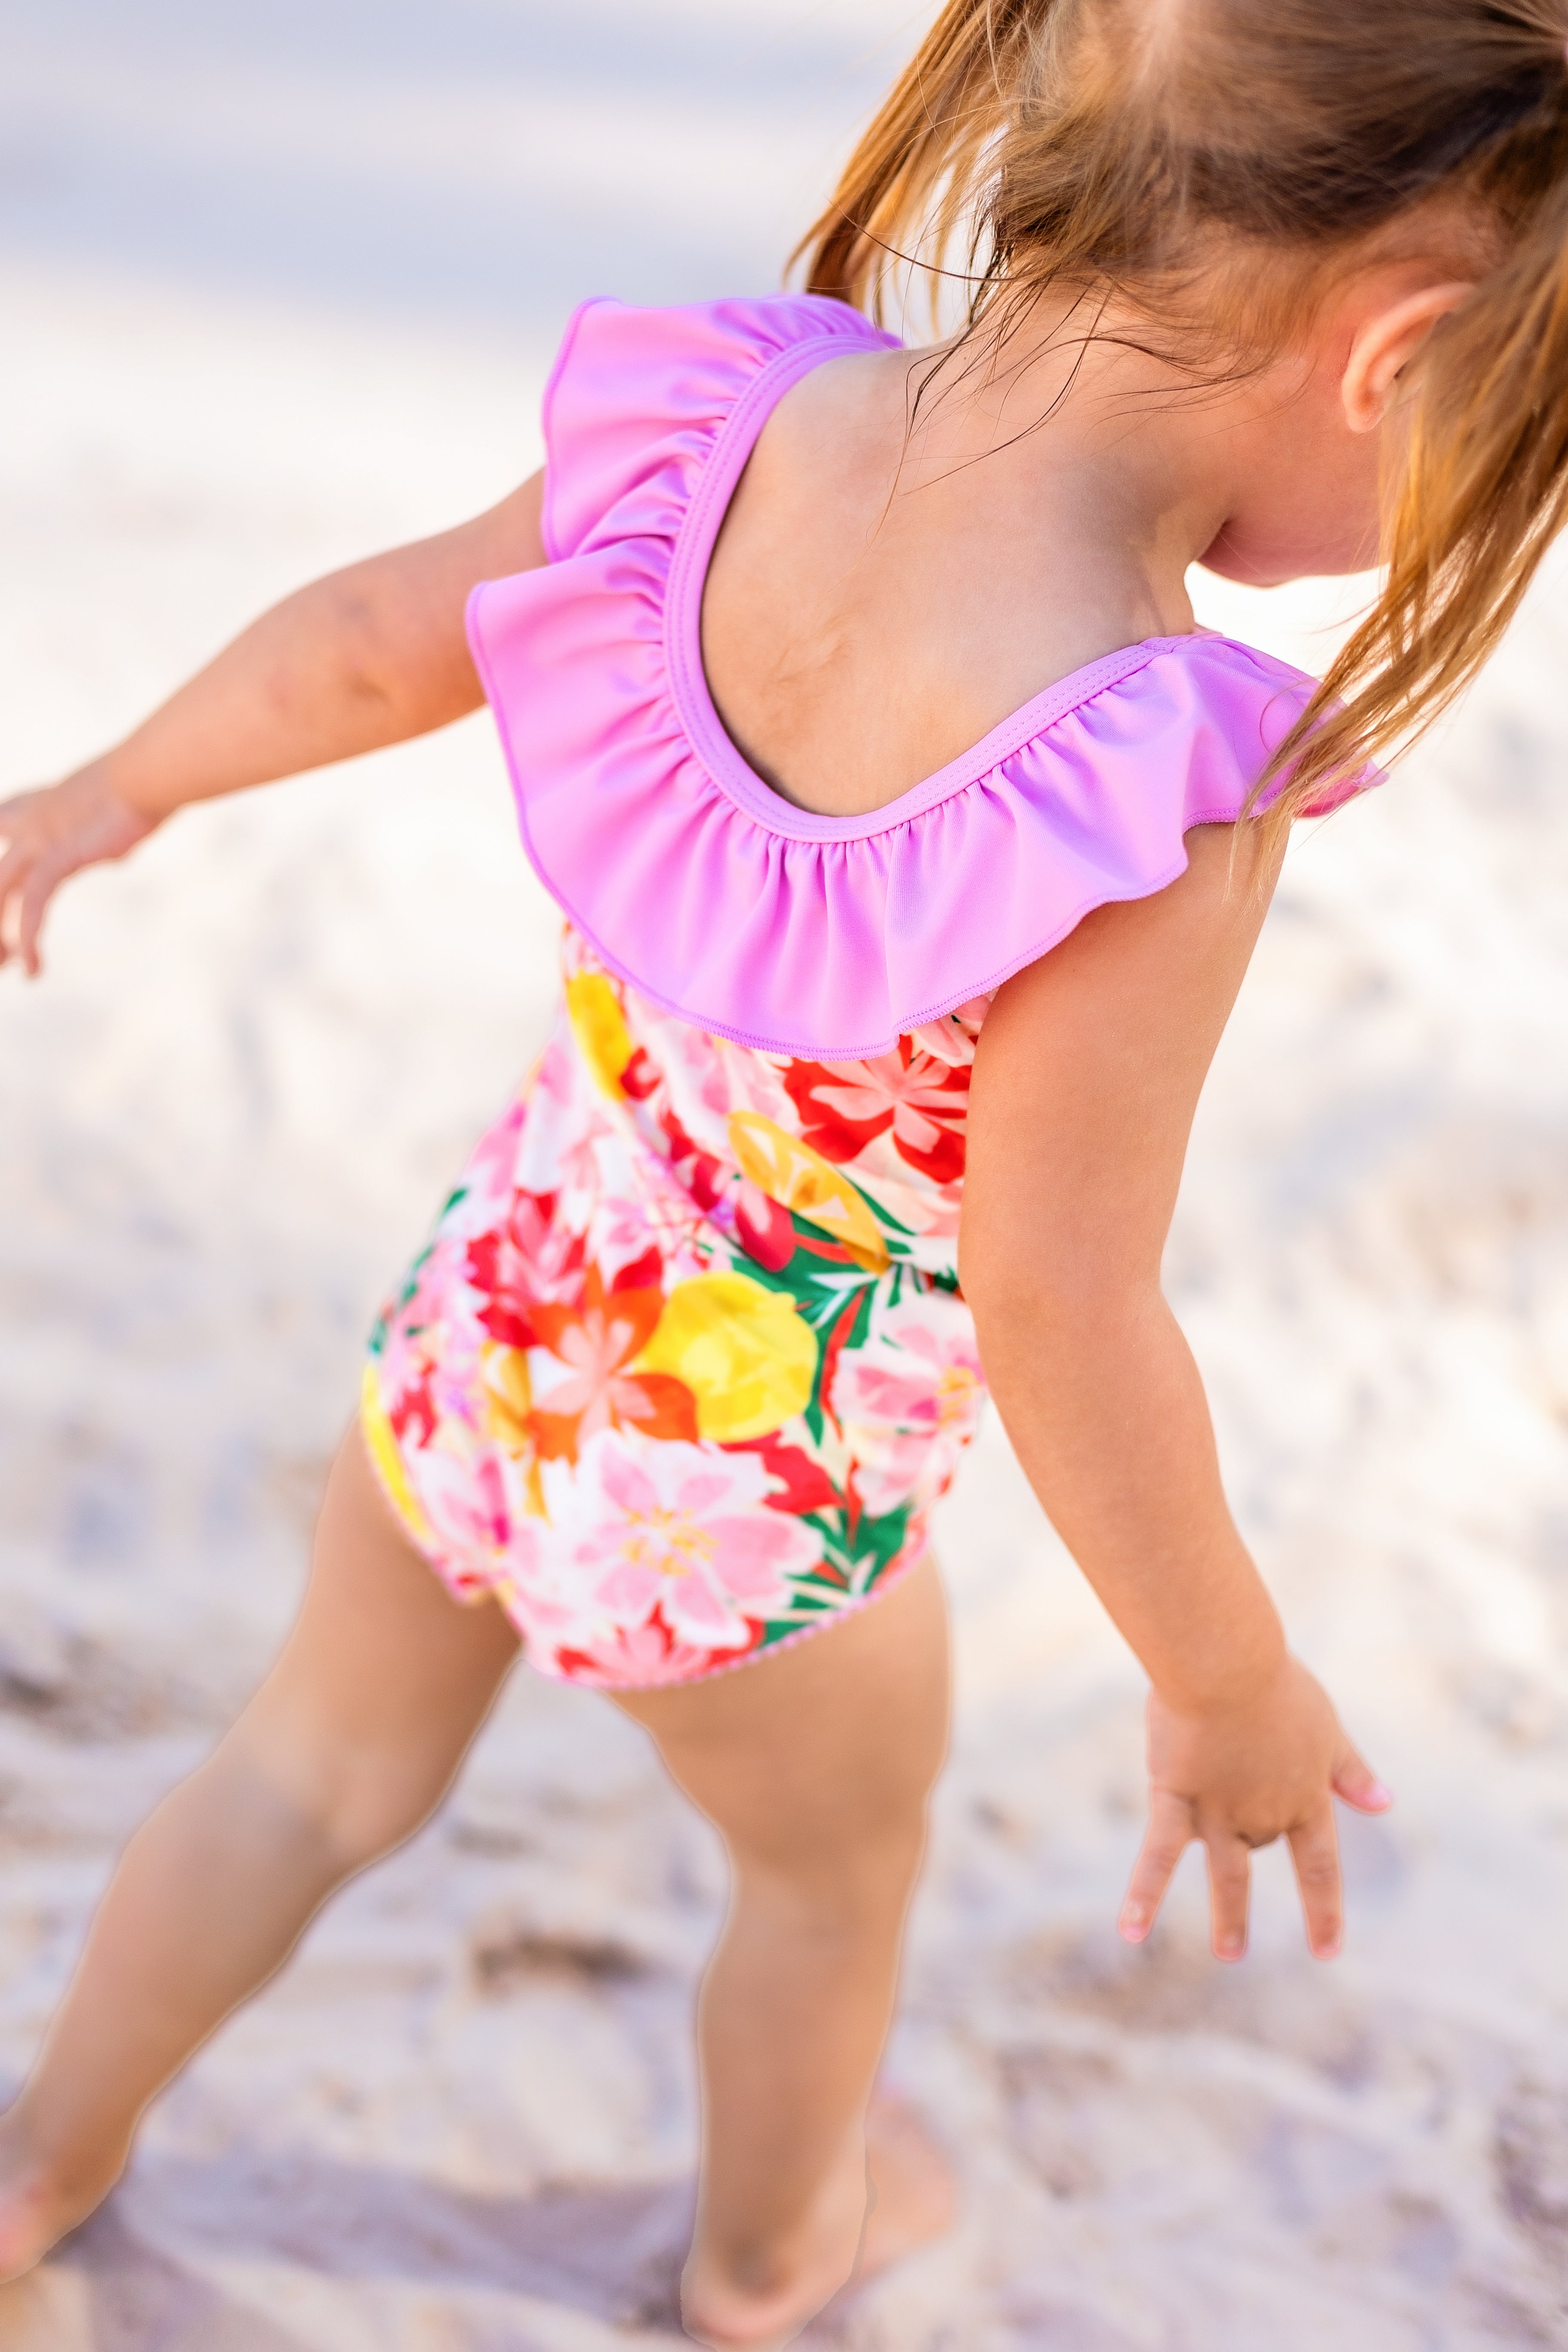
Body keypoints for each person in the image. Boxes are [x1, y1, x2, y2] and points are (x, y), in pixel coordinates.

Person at [3, 0, 1567, 2340]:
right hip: (761, 1496)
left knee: (306, 1776)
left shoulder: (729, 416)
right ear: (1397, 353)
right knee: (832, 1888)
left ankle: (36, 2167)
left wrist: (110, 791)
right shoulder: (1148, 772)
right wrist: (1219, 1674)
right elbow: (1064, 1300)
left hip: (501, 1314)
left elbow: (363, 646)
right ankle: (761, 2265)